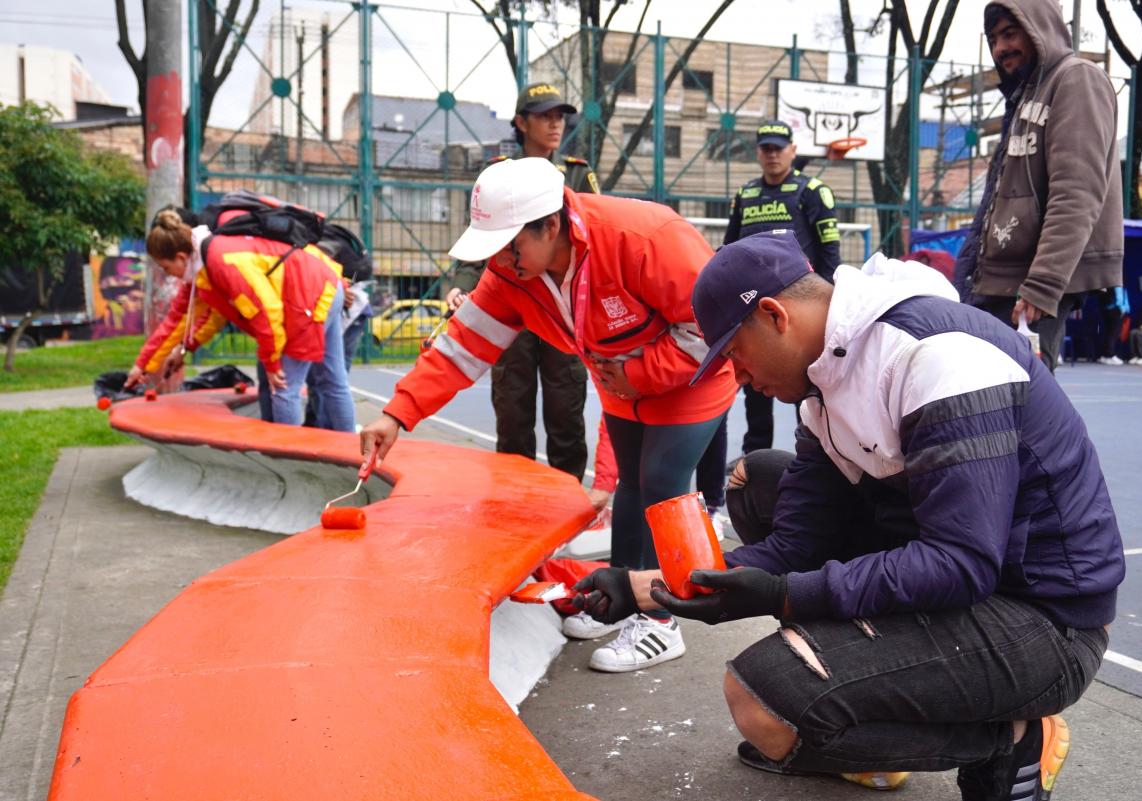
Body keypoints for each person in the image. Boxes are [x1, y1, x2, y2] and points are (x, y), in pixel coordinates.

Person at [573, 232, 1124, 800]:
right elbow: (797, 543)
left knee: (764, 704)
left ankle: (1012, 738)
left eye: (734, 354)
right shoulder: (823, 385)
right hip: (971, 584)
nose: (737, 379)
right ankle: (864, 706)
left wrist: (784, 596)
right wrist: (641, 588)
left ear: (774, 315)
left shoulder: (937, 359)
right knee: (758, 482)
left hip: (1047, 621)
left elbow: (961, 563)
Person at [359, 157, 737, 672]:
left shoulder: (643, 238)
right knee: (631, 484)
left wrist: (639, 374)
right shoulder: (512, 273)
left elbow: (711, 325)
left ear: (551, 225)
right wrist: (396, 415)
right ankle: (621, 597)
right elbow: (462, 347)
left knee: (661, 483)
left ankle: (661, 619)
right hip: (621, 381)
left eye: (509, 244)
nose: (498, 259)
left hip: (692, 373)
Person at [952, 0, 1124, 375]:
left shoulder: (1076, 78)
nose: (1000, 48)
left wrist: (1043, 283)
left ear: (1038, 28)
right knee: (985, 395)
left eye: (1010, 34)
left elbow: (1077, 193)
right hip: (999, 281)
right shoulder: (1024, 96)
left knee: (1012, 397)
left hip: (1029, 283)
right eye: (993, 39)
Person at [445, 82, 599, 485]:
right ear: (521, 122)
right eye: (545, 116)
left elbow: (592, 235)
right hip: (512, 300)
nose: (555, 124)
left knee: (566, 407)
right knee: (512, 408)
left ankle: (568, 499)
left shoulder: (577, 173)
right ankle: (514, 499)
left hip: (562, 306)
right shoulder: (498, 174)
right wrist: (462, 283)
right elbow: (481, 234)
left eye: (559, 117)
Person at [126, 209, 356, 432]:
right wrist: (142, 366)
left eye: (166, 268)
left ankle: (288, 455)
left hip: (307, 297)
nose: (169, 274)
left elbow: (266, 311)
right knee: (333, 380)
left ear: (181, 257)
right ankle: (351, 448)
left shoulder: (221, 262)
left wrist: (272, 362)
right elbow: (175, 322)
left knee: (283, 388)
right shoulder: (204, 266)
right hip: (323, 286)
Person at [724, 119, 841, 456]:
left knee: (805, 384)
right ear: (758, 153)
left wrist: (826, 304)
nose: (772, 154)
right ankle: (754, 457)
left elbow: (830, 251)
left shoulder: (813, 190)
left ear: (792, 150)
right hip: (752, 307)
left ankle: (813, 455)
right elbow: (730, 248)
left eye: (778, 148)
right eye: (766, 148)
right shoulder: (745, 194)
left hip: (800, 310)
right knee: (755, 386)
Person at [1097, 286, 1129, 365]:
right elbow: (1119, 298)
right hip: (1115, 310)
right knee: (1113, 334)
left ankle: (1105, 356)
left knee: (1108, 333)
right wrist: (1122, 309)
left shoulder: (1107, 284)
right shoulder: (1117, 285)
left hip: (1106, 310)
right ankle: (1110, 355)